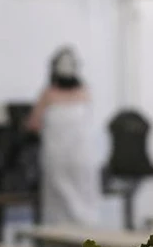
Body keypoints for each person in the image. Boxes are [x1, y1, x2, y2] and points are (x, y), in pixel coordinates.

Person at [26, 47, 102, 227]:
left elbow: (34, 124)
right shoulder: (53, 94)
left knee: (80, 199)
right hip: (63, 157)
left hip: (77, 156)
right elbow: (34, 124)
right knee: (61, 202)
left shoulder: (74, 93)